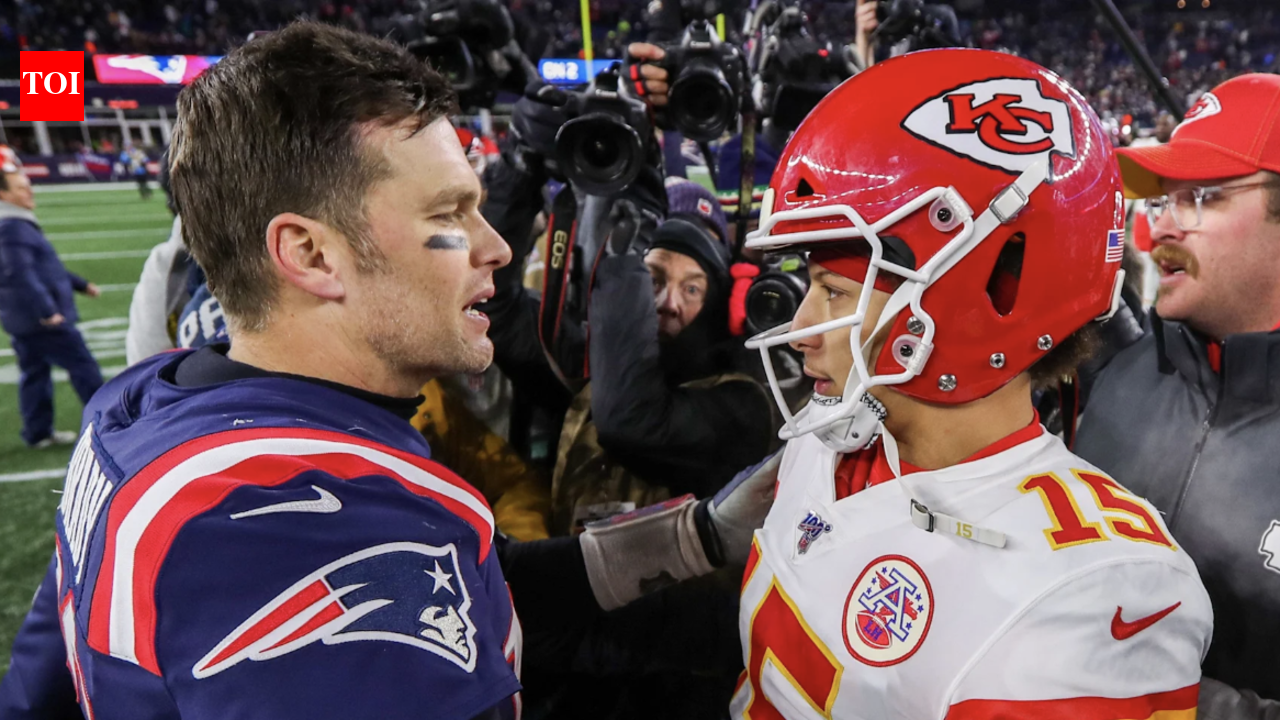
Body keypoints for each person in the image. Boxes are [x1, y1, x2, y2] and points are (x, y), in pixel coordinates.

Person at [0, 22, 773, 720]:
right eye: (447, 215)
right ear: (311, 254)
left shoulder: (141, 405)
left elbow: (463, 581)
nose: (496, 248)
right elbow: (386, 576)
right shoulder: (297, 521)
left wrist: (696, 537)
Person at [732, 48, 1212, 719]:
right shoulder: (832, 440)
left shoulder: (1092, 589)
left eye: (836, 291)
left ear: (987, 295)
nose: (802, 329)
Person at [1074, 73, 1280, 720]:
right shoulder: (1119, 366)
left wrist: (1183, 705)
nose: (1160, 225)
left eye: (1201, 198)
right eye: (1164, 199)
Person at [0, 161, 103, 448]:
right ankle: (109, 422)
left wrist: (80, 284)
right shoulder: (12, 228)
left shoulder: (16, 224)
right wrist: (46, 311)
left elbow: (46, 269)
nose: (29, 191)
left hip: (23, 318)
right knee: (83, 365)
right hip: (40, 320)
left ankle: (38, 432)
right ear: (3, 195)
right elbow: (18, 274)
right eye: (21, 188)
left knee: (35, 373)